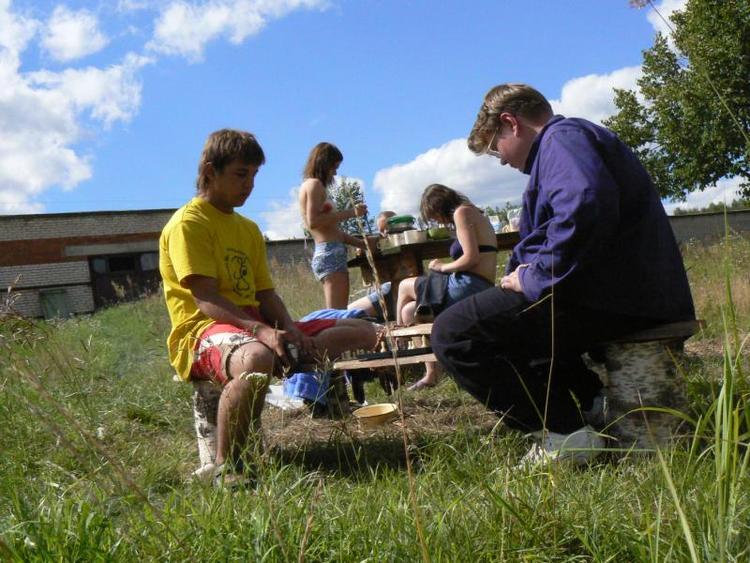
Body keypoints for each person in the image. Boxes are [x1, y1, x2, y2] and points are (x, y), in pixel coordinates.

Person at [430, 84, 695, 465]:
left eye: (494, 147)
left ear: (511, 123)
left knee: (455, 333)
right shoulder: (567, 143)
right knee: (509, 326)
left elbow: (586, 205)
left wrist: (533, 278)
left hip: (618, 298)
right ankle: (592, 409)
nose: (501, 161)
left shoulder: (561, 140)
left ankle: (563, 433)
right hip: (625, 293)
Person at [160, 129, 378, 487]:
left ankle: (290, 365)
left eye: (254, 176)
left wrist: (289, 329)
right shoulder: (189, 223)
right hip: (202, 330)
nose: (249, 185)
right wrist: (261, 331)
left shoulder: (247, 228)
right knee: (257, 359)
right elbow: (206, 298)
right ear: (211, 171)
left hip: (253, 327)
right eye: (240, 174)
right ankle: (228, 469)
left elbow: (266, 294)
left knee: (361, 330)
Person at [396, 184, 498, 390]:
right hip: (473, 283)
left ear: (439, 207)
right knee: (409, 311)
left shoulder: (462, 213)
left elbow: (471, 258)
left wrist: (442, 267)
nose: (437, 222)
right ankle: (431, 374)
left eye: (434, 216)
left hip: (471, 284)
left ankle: (397, 342)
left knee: (404, 286)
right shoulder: (472, 212)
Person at [299, 142, 368, 309]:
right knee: (337, 314)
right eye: (334, 167)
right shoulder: (314, 185)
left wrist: (363, 244)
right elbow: (313, 222)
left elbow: (332, 231)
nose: (335, 172)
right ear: (324, 164)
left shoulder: (314, 186)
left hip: (330, 250)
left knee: (338, 312)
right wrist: (352, 213)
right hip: (329, 252)